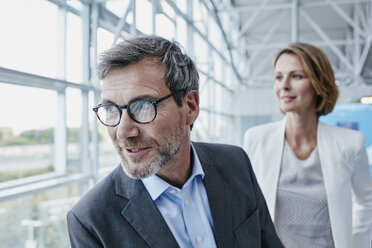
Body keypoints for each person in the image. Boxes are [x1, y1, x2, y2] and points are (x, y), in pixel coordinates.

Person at [67, 35, 283, 248]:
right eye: (111, 109)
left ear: (190, 106)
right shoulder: (90, 221)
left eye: (142, 106)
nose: (123, 131)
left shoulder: (236, 163)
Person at [243, 42, 372, 248]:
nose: (284, 85)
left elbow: (367, 203)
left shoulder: (350, 143)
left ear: (319, 83)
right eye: (278, 77)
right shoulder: (256, 140)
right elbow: (246, 209)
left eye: (296, 76)